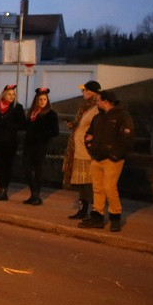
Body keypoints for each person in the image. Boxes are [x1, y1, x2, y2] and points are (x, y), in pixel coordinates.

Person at [79, 90, 135, 232]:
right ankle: (97, 215)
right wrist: (90, 147)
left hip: (112, 159)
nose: (96, 103)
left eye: (98, 100)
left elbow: (127, 138)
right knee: (97, 188)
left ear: (105, 101)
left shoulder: (122, 116)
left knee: (110, 188)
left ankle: (115, 216)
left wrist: (115, 155)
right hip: (97, 157)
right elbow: (89, 134)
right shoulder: (98, 118)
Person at [62, 80, 101, 219]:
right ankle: (83, 209)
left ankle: (95, 211)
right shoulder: (85, 107)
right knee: (82, 182)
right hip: (78, 150)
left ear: (91, 92)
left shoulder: (96, 108)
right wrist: (74, 125)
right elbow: (82, 125)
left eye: (84, 90)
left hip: (86, 152)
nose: (82, 93)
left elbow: (94, 128)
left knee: (88, 183)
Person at [0, 84, 26, 201]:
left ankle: (4, 190)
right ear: (4, 94)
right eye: (9, 94)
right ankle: (1, 189)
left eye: (13, 94)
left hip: (10, 141)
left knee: (6, 166)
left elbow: (23, 124)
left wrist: (10, 126)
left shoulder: (17, 107)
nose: (12, 96)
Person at [21, 88, 60, 205]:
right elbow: (26, 127)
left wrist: (42, 136)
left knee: (38, 170)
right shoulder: (32, 113)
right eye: (40, 99)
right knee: (26, 169)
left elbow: (55, 131)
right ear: (36, 100)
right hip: (28, 145)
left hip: (40, 145)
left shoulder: (51, 114)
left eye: (44, 99)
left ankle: (36, 195)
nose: (42, 101)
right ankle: (33, 193)